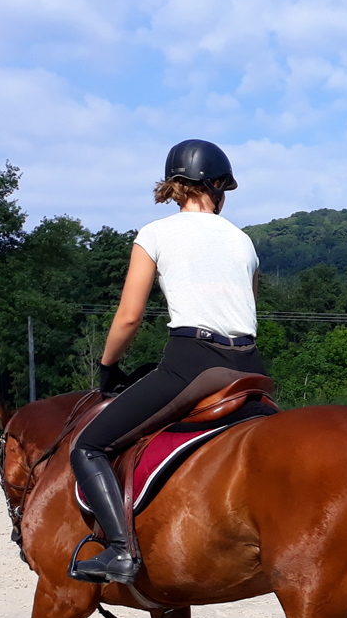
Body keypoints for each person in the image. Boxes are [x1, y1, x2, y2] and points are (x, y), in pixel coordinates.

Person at [68, 139, 267, 584]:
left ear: (178, 186)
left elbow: (130, 316)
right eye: (224, 189)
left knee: (88, 446)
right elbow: (247, 311)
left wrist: (108, 365)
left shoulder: (156, 233)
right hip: (253, 368)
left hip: (193, 364)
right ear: (214, 185)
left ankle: (120, 551)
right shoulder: (244, 241)